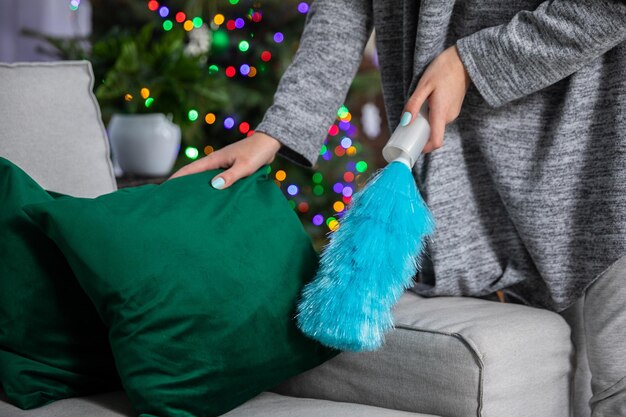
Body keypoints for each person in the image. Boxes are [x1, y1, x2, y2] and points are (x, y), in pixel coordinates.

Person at [171, 1, 626, 415]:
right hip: (474, 179)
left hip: (600, 158)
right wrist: (274, 133)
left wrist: (474, 62)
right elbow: (343, 8)